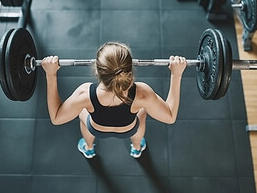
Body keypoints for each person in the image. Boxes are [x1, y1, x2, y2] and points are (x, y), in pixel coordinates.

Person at [41, 42, 187, 159]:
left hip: (97, 129)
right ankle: (136, 149)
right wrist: (177, 74)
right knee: (142, 112)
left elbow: (56, 117)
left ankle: (89, 148)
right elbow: (170, 116)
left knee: (82, 112)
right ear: (131, 69)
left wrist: (50, 74)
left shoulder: (84, 93)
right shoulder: (143, 93)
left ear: (97, 71)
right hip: (128, 129)